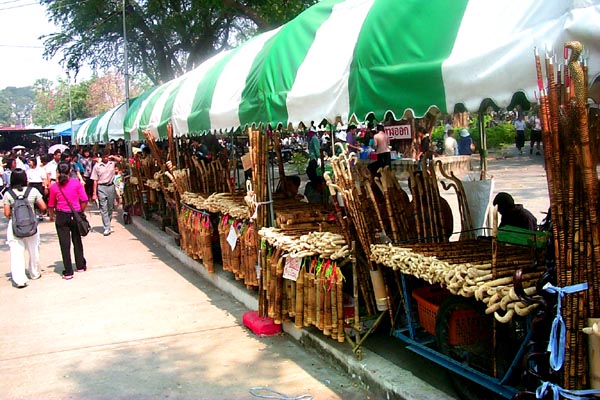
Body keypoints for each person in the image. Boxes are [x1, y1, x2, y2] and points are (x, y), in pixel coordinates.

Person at [3, 168, 46, 288]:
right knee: (34, 250)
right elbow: (43, 207)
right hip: (31, 225)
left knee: (17, 253)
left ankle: (20, 279)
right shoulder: (33, 191)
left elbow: (6, 213)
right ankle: (34, 272)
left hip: (15, 226)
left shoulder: (8, 194)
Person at [48, 161, 88, 279]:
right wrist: (80, 211)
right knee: (77, 240)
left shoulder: (54, 187)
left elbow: (51, 204)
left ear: (58, 172)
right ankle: (80, 265)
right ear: (70, 171)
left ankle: (68, 271)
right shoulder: (76, 183)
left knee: (64, 244)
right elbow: (84, 199)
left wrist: (51, 216)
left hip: (61, 215)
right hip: (75, 215)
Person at [91, 151, 122, 236]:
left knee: (110, 207)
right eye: (104, 157)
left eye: (107, 157)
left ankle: (108, 222)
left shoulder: (112, 163)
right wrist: (94, 193)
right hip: (101, 187)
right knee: (103, 208)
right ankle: (106, 227)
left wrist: (113, 156)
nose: (106, 158)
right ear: (101, 157)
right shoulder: (97, 166)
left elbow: (120, 160)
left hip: (110, 186)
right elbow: (95, 180)